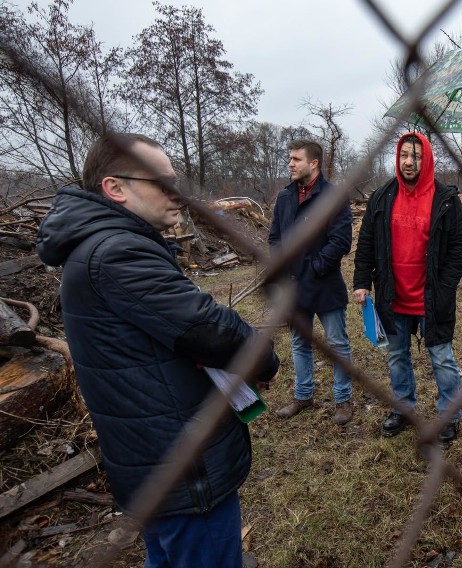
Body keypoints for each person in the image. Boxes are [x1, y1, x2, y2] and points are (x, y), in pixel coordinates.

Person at [36, 133, 281, 568]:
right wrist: (264, 359)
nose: (178, 193)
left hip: (153, 455)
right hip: (182, 465)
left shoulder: (96, 245)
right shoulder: (117, 252)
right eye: (161, 181)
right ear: (116, 188)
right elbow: (210, 328)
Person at [352, 132, 462, 445]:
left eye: (415, 156)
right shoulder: (381, 197)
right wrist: (362, 282)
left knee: (442, 358)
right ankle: (404, 408)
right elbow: (365, 243)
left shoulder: (445, 199)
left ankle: (449, 417)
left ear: (427, 158)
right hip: (393, 296)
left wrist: (445, 285)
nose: (408, 161)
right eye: (404, 155)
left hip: (432, 298)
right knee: (396, 356)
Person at [268, 139, 355, 426]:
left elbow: (341, 241)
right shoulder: (285, 197)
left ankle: (343, 399)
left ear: (314, 163)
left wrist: (315, 267)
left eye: (296, 159)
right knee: (299, 342)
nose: (290, 164)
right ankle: (303, 396)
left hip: (324, 283)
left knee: (337, 343)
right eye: (289, 158)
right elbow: (275, 239)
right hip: (294, 287)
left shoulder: (333, 197)